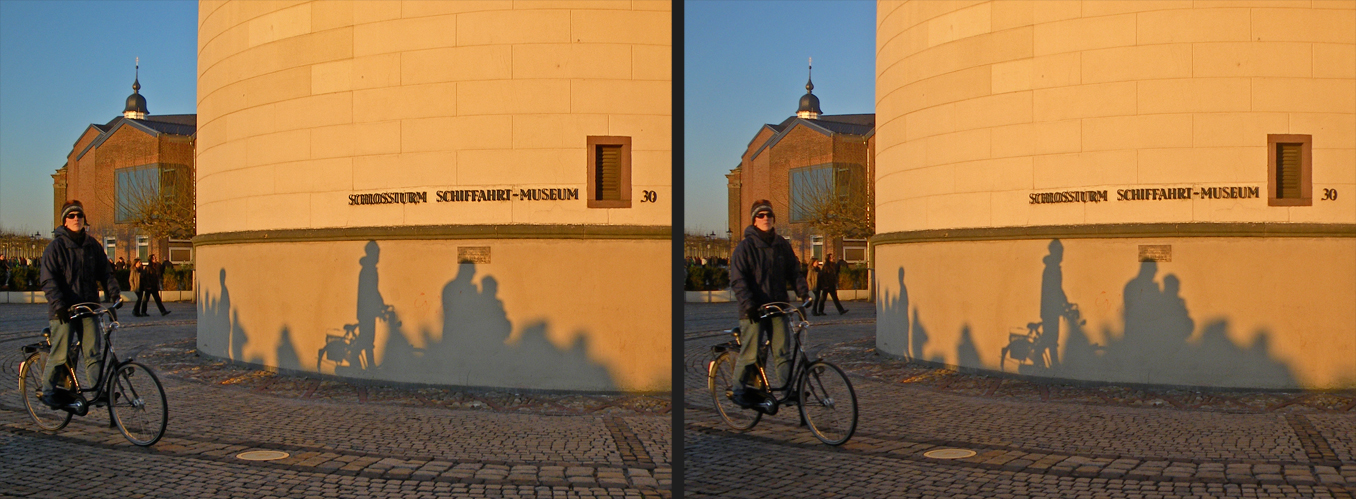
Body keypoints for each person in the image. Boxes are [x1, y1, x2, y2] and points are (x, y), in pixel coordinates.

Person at [729, 200, 810, 408]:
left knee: (782, 352)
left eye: (768, 215)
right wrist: (748, 305)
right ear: (754, 220)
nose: (765, 218)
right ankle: (737, 389)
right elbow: (738, 280)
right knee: (751, 352)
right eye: (761, 215)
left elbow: (794, 270)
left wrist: (803, 293)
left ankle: (787, 390)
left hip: (777, 307)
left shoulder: (781, 244)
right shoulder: (745, 247)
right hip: (754, 310)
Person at [39, 200, 120, 408]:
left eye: (79, 216)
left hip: (88, 306)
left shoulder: (92, 245)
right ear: (64, 221)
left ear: (84, 219)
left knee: (92, 352)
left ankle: (98, 392)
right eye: (71, 216)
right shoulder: (55, 247)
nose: (76, 219)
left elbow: (105, 271)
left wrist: (113, 293)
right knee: (61, 352)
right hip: (64, 310)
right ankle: (48, 390)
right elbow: (48, 279)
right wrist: (58, 305)